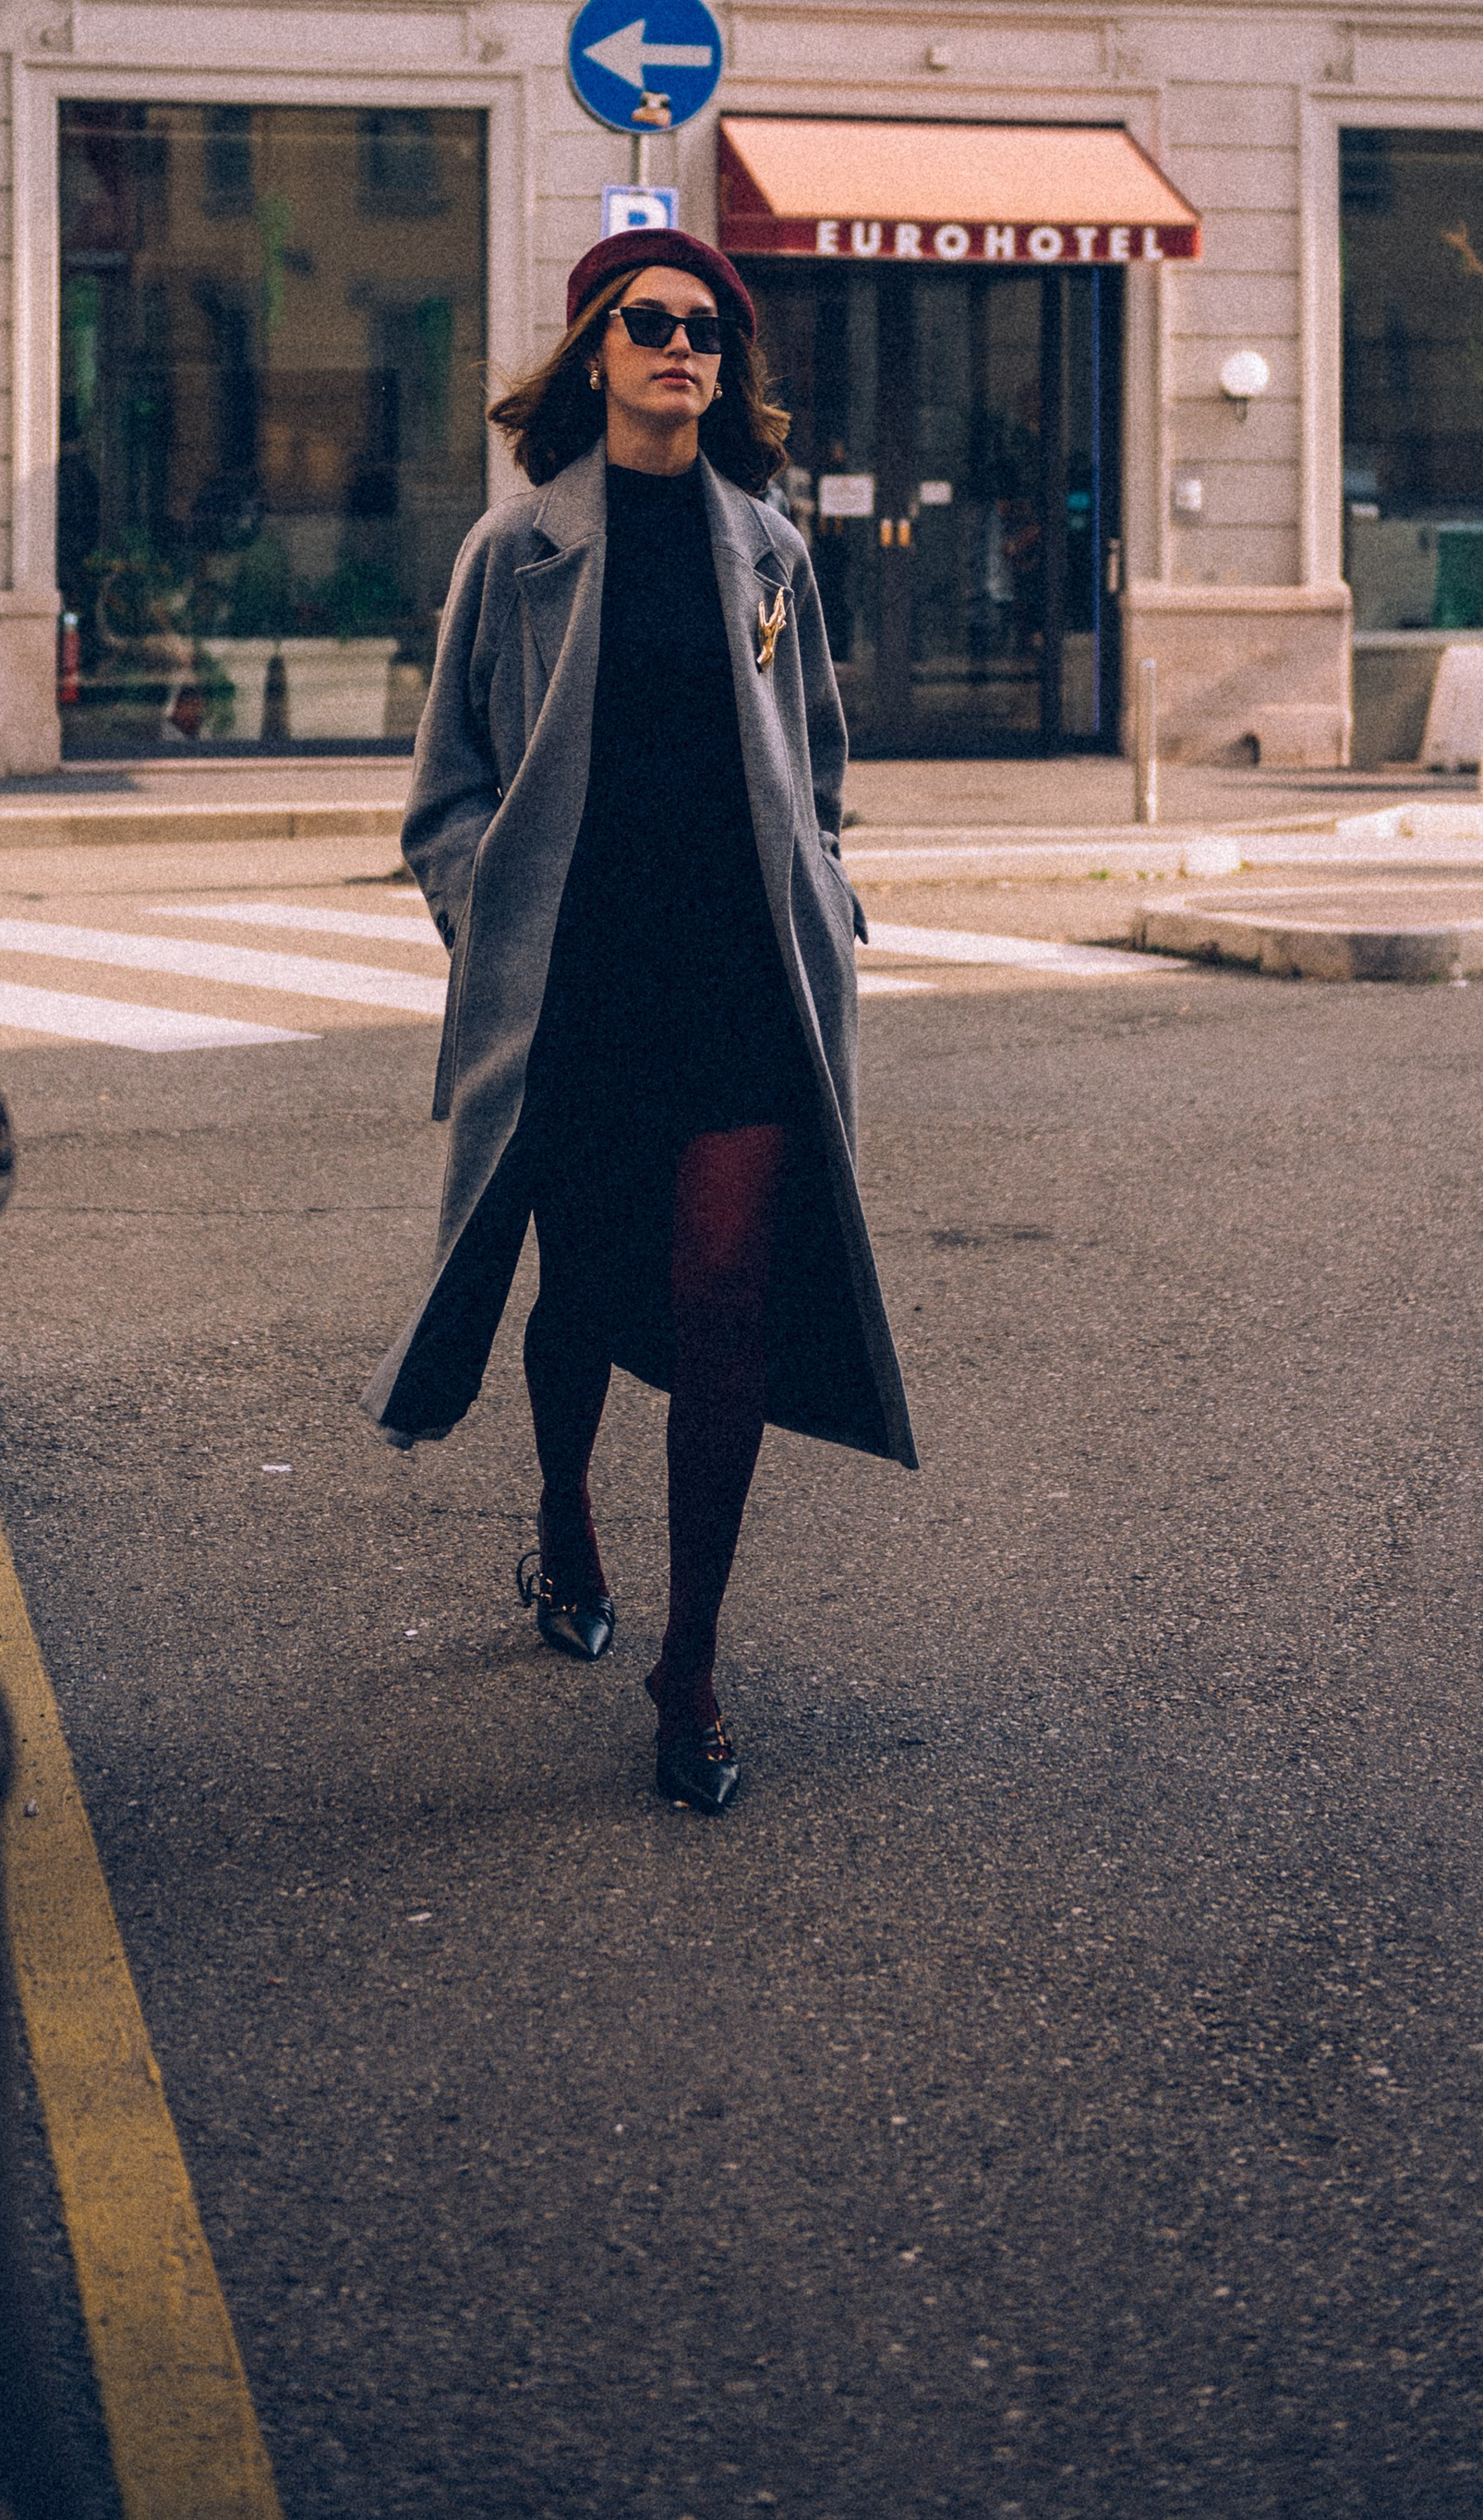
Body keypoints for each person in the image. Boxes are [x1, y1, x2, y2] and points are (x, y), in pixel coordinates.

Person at [365, 232, 914, 1814]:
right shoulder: (515, 550)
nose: (682, 349)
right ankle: (561, 1512)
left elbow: (817, 766)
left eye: (706, 333)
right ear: (596, 355)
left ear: (728, 372)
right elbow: (445, 795)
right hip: (582, 988)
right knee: (589, 1293)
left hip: (743, 985)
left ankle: (694, 1664)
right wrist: (498, 926)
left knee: (728, 1294)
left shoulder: (771, 551)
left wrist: (821, 889)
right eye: (649, 325)